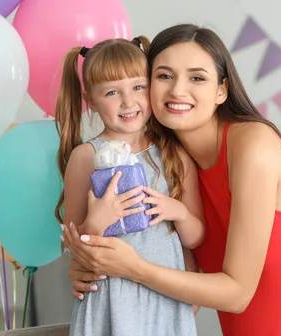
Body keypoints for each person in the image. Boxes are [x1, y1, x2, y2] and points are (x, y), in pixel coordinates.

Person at [62, 24, 281, 335]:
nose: (177, 90)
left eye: (197, 78)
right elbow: (175, 263)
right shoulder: (164, 164)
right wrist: (87, 266)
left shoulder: (252, 146)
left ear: (221, 91)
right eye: (164, 76)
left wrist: (133, 269)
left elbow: (238, 293)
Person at [55, 36, 204, 336]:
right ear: (91, 101)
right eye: (112, 92)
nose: (128, 101)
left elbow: (196, 238)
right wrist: (96, 222)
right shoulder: (86, 157)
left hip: (166, 298)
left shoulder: (175, 154)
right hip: (110, 303)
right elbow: (75, 248)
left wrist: (179, 212)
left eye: (138, 87)